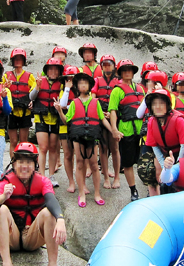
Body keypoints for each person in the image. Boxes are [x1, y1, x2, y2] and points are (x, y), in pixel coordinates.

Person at [0, 142, 67, 266]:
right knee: (0, 210)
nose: (24, 166)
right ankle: (7, 265)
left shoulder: (43, 181)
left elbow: (50, 199)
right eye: (20, 162)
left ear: (34, 164)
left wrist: (60, 219)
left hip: (32, 237)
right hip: (12, 237)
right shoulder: (6, 181)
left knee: (49, 213)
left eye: (28, 162)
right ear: (14, 163)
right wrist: (3, 196)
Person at [58, 72, 118, 206]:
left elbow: (102, 119)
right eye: (80, 83)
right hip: (78, 137)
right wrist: (60, 111)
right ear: (77, 86)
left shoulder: (95, 102)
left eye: (85, 83)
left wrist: (113, 131)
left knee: (94, 165)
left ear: (89, 85)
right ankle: (81, 194)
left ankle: (97, 193)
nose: (83, 85)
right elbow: (67, 120)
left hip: (92, 136)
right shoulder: (74, 103)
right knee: (79, 164)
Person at [109, 59, 145, 201]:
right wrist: (114, 130)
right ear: (121, 73)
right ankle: (133, 190)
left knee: (144, 161)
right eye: (124, 70)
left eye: (130, 70)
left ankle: (150, 188)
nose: (128, 72)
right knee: (128, 163)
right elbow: (113, 111)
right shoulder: (117, 91)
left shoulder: (141, 89)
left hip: (141, 131)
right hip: (126, 130)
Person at [144, 89, 184, 196]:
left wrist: (177, 164)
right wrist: (163, 165)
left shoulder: (178, 120)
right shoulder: (152, 121)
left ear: (168, 105)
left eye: (161, 103)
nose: (158, 107)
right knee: (150, 173)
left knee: (177, 182)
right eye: (154, 104)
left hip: (182, 155)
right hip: (165, 156)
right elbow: (154, 146)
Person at [29, 58, 64, 187]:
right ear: (47, 70)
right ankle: (42, 175)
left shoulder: (61, 83)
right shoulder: (40, 81)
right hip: (41, 118)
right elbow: (31, 97)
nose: (53, 71)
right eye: (51, 69)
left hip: (55, 118)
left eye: (56, 69)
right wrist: (37, 87)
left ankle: (51, 175)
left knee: (54, 148)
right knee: (43, 148)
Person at [92, 55, 121, 189]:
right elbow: (93, 98)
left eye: (109, 64)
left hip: (114, 116)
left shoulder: (119, 82)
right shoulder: (97, 80)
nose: (107, 67)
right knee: (103, 148)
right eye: (104, 65)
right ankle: (105, 177)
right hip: (101, 117)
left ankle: (116, 177)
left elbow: (122, 101)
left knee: (114, 148)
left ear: (114, 66)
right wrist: (100, 112)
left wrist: (113, 113)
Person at [5, 48, 35, 158]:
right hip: (11, 113)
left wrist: (33, 101)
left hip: (25, 112)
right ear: (12, 61)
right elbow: (0, 90)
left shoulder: (29, 76)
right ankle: (14, 164)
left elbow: (35, 91)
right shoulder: (6, 76)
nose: (18, 61)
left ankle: (23, 161)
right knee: (13, 141)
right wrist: (5, 86)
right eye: (15, 59)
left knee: (23, 141)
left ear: (23, 61)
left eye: (20, 59)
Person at [57, 65, 79, 193]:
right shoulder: (63, 90)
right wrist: (67, 88)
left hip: (77, 125)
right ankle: (71, 182)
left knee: (79, 155)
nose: (70, 80)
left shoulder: (81, 91)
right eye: (68, 78)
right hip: (64, 125)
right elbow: (63, 104)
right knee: (67, 154)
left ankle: (80, 181)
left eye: (72, 78)